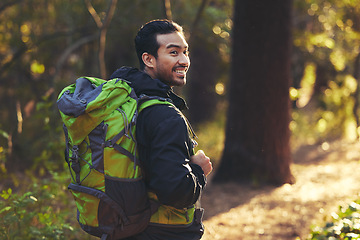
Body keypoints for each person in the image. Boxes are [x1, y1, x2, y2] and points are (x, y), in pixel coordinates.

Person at [109, 19, 212, 240]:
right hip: (161, 232)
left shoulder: (125, 102)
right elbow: (176, 192)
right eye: (173, 53)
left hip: (124, 227)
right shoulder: (165, 116)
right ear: (149, 59)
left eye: (185, 52)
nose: (184, 60)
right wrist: (199, 171)